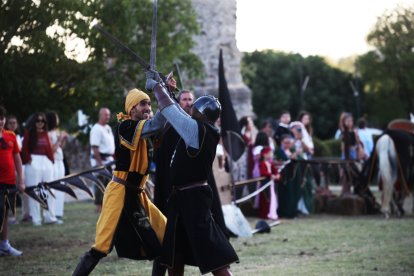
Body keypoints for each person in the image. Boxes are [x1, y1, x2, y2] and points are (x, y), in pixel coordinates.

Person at [146, 72, 239, 275]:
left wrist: (157, 88)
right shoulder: (201, 128)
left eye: (195, 107)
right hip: (182, 199)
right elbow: (178, 113)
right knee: (175, 252)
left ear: (202, 113)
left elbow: (172, 113)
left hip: (193, 201)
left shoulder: (197, 130)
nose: (192, 108)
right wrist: (167, 89)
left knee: (213, 253)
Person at [72, 88, 168, 276]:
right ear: (132, 109)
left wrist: (168, 93)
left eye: (149, 104)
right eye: (143, 104)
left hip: (138, 195)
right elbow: (158, 124)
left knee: (166, 237)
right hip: (120, 193)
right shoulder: (126, 127)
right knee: (101, 246)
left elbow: (165, 125)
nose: (148, 108)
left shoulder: (145, 129)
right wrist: (162, 93)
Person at [21, 112, 61, 226]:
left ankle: (50, 217)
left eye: (42, 121)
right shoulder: (28, 133)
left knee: (49, 190)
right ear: (34, 122)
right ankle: (36, 219)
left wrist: (51, 160)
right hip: (33, 161)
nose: (40, 123)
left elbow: (48, 148)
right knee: (34, 191)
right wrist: (28, 159)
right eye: (38, 121)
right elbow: (24, 149)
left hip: (46, 162)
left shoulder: (45, 134)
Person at [0, 106, 25, 257]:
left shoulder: (10, 136)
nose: (0, 121)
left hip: (9, 181)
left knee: (5, 213)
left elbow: (17, 157)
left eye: (1, 118)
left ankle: (4, 244)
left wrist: (21, 178)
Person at [89, 107, 115, 212]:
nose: (108, 116)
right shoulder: (96, 129)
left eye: (108, 114)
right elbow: (95, 147)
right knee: (100, 183)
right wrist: (100, 163)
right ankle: (98, 206)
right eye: (106, 115)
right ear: (100, 115)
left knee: (109, 184)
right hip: (101, 160)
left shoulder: (108, 128)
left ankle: (107, 205)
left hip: (109, 160)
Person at [46, 111, 68, 220]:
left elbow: (60, 148)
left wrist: (63, 140)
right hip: (53, 162)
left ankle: (59, 212)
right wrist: (59, 139)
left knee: (61, 187)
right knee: (53, 188)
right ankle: (51, 214)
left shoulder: (56, 131)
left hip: (60, 161)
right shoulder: (48, 134)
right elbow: (51, 150)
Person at [258, 146, 280, 220]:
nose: (271, 155)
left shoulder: (270, 163)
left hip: (271, 184)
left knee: (272, 198)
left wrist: (277, 175)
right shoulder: (263, 163)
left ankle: (272, 212)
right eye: (270, 153)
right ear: (264, 154)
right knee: (266, 198)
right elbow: (263, 172)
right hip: (265, 184)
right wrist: (271, 175)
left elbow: (275, 170)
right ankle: (265, 213)